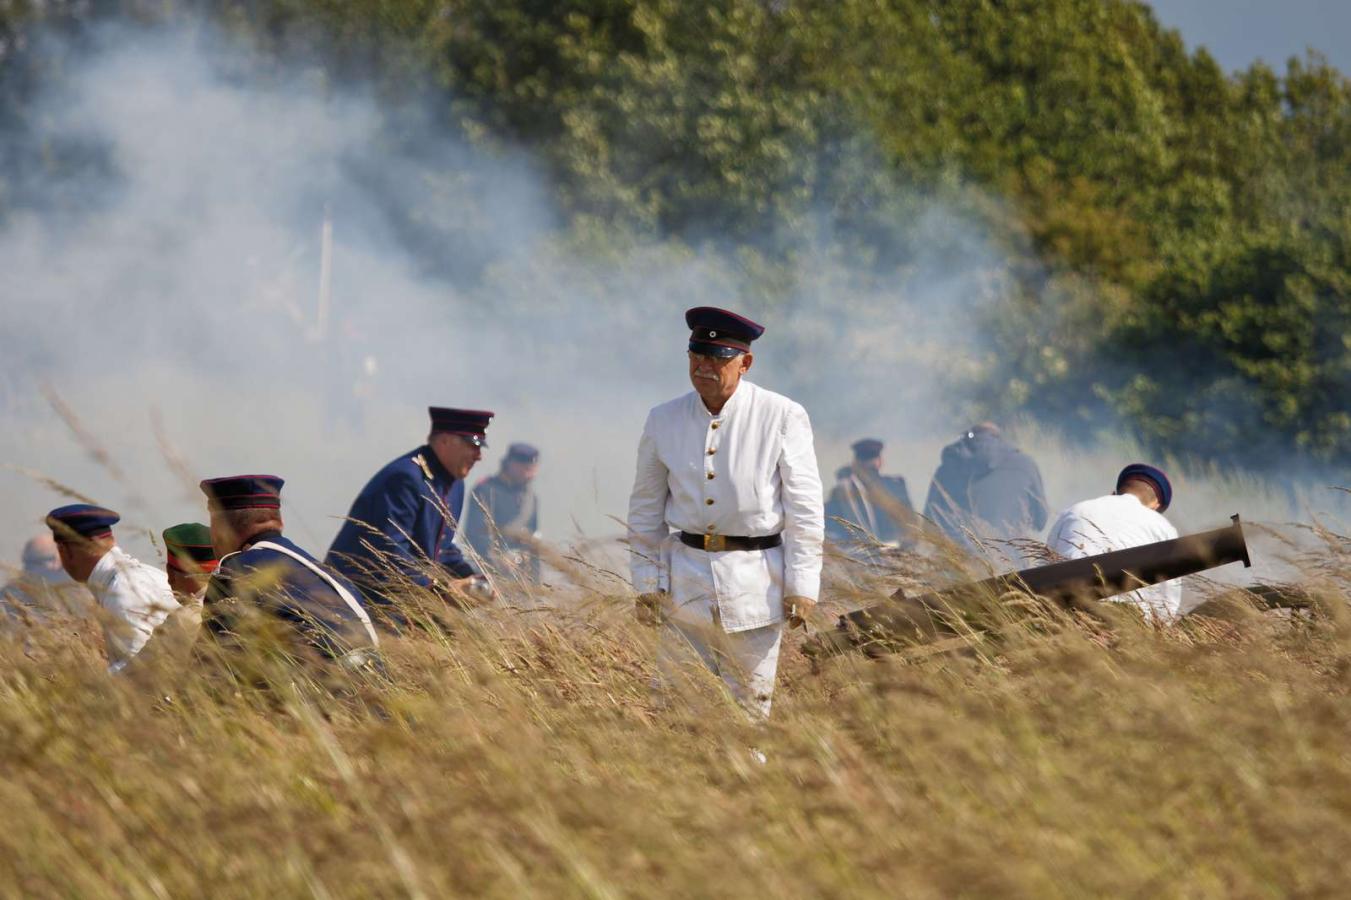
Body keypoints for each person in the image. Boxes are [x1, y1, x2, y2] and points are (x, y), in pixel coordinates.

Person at [627, 306, 824, 719]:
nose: (704, 367)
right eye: (697, 355)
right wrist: (647, 581)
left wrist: (802, 585)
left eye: (718, 357)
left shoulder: (782, 415)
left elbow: (804, 509)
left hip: (756, 583)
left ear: (745, 362)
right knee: (677, 711)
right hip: (685, 583)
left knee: (748, 717)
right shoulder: (663, 418)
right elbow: (646, 510)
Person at [326, 407, 496, 619]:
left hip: (402, 600)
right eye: (472, 445)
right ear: (445, 441)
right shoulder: (406, 477)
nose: (479, 456)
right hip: (359, 600)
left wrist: (472, 579)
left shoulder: (453, 483)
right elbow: (390, 551)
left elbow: (439, 547)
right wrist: (441, 590)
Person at [201, 475, 379, 666]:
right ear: (279, 522)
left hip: (326, 690)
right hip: (377, 685)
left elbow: (208, 667)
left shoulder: (235, 570)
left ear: (221, 529)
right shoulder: (324, 573)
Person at [44, 504, 180, 673]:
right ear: (111, 541)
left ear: (65, 551)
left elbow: (141, 672)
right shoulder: (146, 574)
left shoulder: (121, 590)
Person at [1046, 464, 1182, 622]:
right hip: (1124, 621)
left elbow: (1045, 565)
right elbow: (1167, 604)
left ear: (1113, 493)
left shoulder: (1075, 510)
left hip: (1063, 612)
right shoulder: (1164, 528)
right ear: (1156, 506)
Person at [922, 423, 1048, 556]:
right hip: (1011, 567)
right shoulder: (1025, 464)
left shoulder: (946, 469)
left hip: (959, 566)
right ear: (999, 439)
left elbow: (928, 525)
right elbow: (1040, 521)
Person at [464, 442, 542, 582]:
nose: (530, 475)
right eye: (526, 469)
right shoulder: (485, 490)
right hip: (490, 572)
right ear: (511, 464)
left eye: (532, 469)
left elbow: (533, 541)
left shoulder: (531, 498)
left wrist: (535, 581)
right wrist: (498, 560)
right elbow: (475, 535)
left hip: (521, 576)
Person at [824, 438, 915, 552]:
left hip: (860, 559)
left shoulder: (841, 491)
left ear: (855, 462)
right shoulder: (896, 486)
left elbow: (832, 529)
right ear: (880, 462)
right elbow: (912, 528)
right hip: (895, 557)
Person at [0, 534, 88, 626]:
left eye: (39, 560)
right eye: (29, 561)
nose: (32, 567)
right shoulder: (9, 593)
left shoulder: (82, 589)